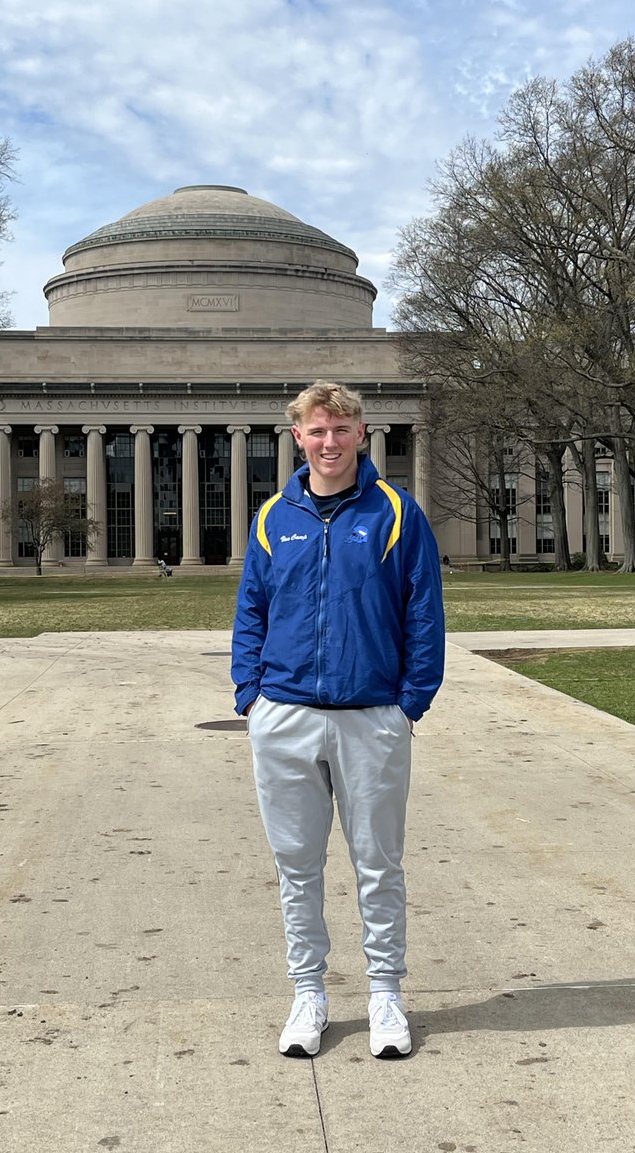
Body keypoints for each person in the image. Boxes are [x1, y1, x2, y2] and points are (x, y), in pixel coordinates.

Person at [231, 381, 445, 1059]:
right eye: (316, 431)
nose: (329, 443)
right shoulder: (273, 517)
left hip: (370, 716)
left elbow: (423, 613)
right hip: (286, 715)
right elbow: (252, 613)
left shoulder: (397, 514)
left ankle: (386, 994)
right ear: (297, 436)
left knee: (377, 864)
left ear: (362, 434)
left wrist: (409, 702)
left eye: (340, 430)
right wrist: (251, 695)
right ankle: (309, 994)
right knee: (296, 866)